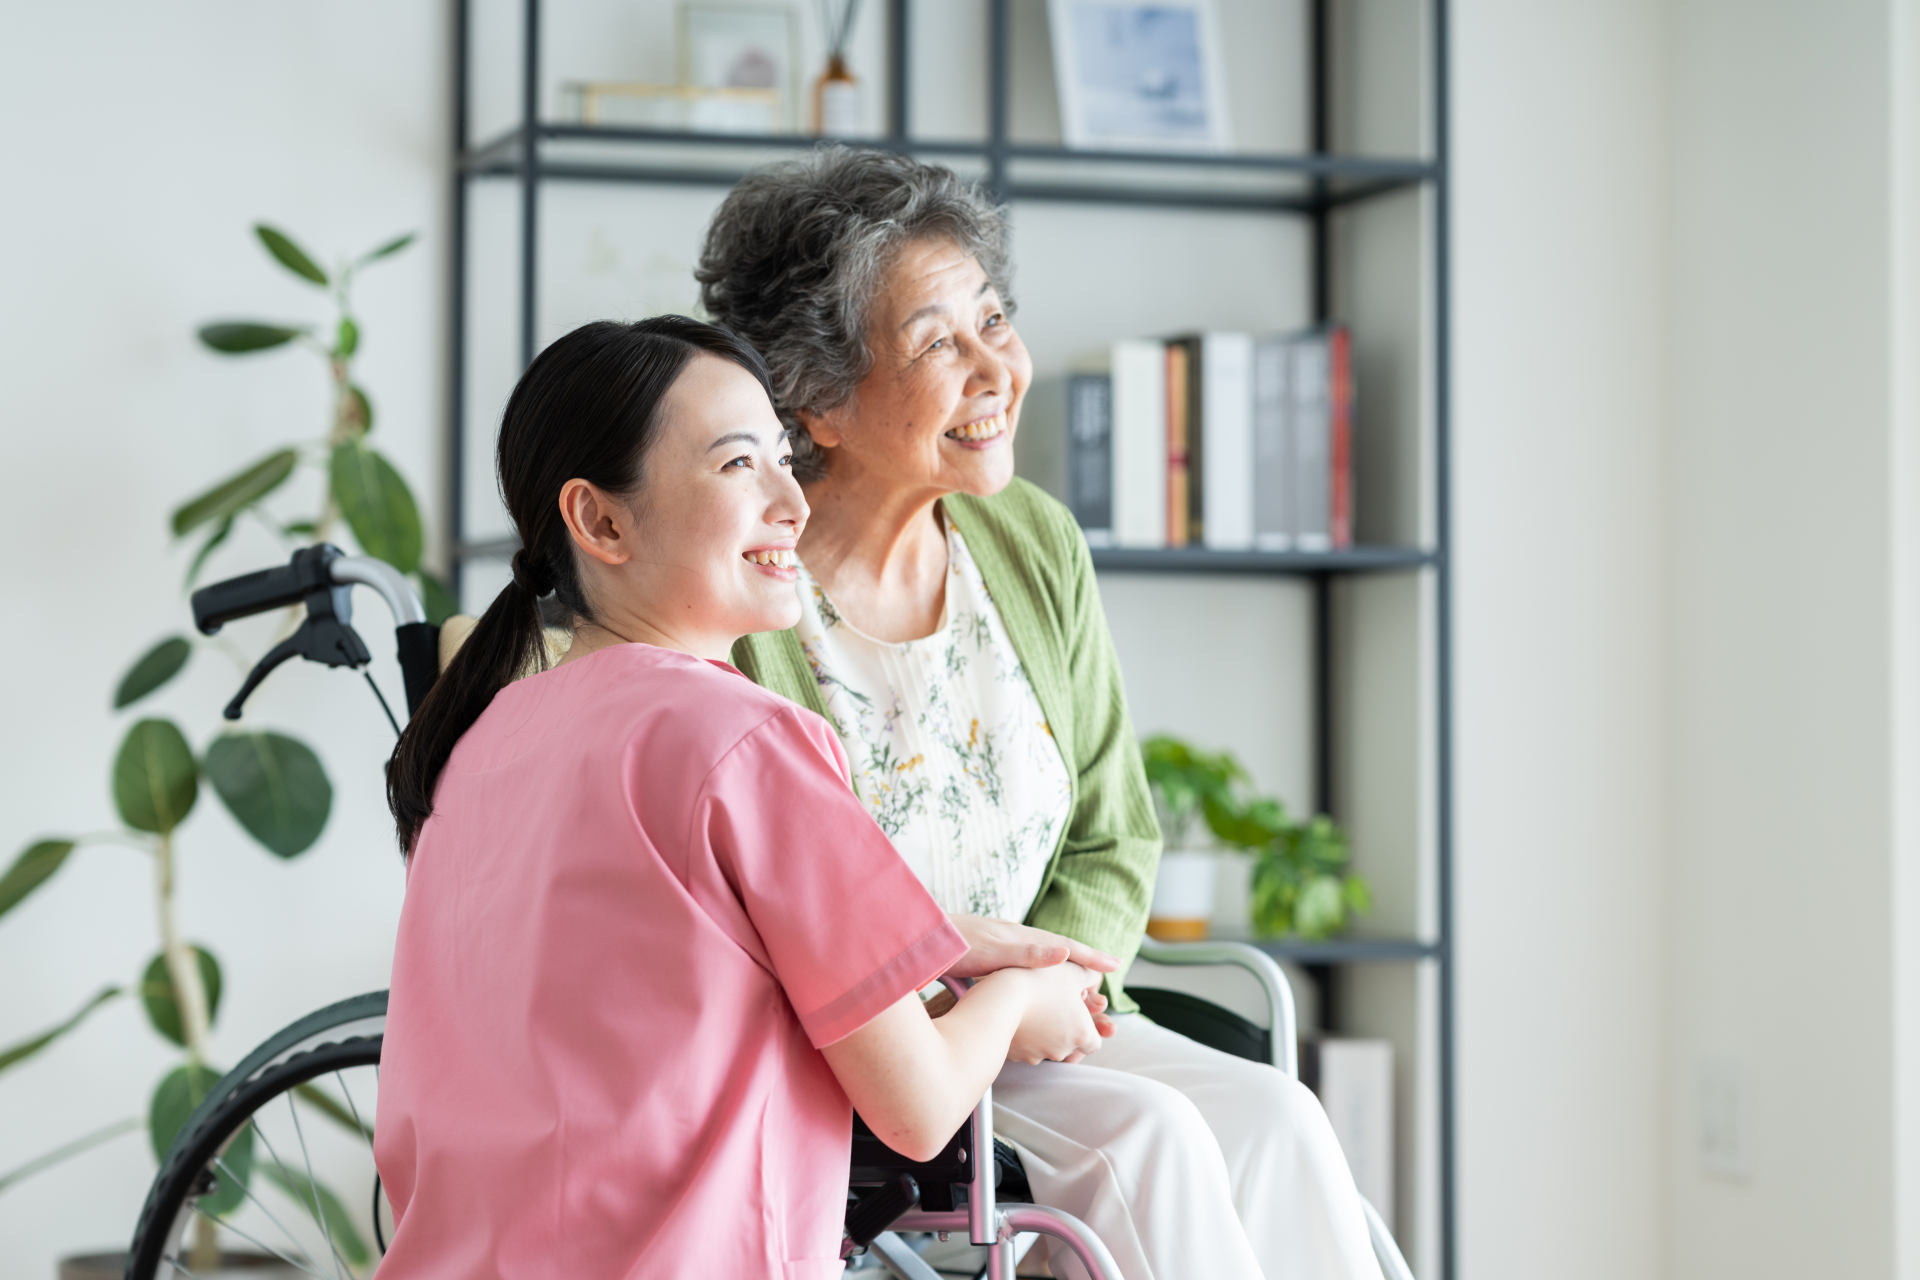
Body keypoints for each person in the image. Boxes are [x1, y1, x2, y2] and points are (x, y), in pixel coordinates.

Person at [698, 149, 1385, 1280]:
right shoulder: (747, 597)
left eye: (994, 319)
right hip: (881, 1064)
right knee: (1152, 1144)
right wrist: (989, 1007)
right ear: (814, 399)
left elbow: (1119, 834)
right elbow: (764, 906)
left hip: (1061, 1021)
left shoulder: (1033, 539)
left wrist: (1053, 983)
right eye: (936, 343)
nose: (996, 369)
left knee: (1283, 1117)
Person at [372, 316, 1110, 1280]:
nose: (791, 501)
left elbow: (660, 957)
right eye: (736, 466)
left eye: (783, 457)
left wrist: (945, 934)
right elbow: (920, 1106)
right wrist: (1020, 1000)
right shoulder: (747, 740)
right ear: (600, 521)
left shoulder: (483, 737)